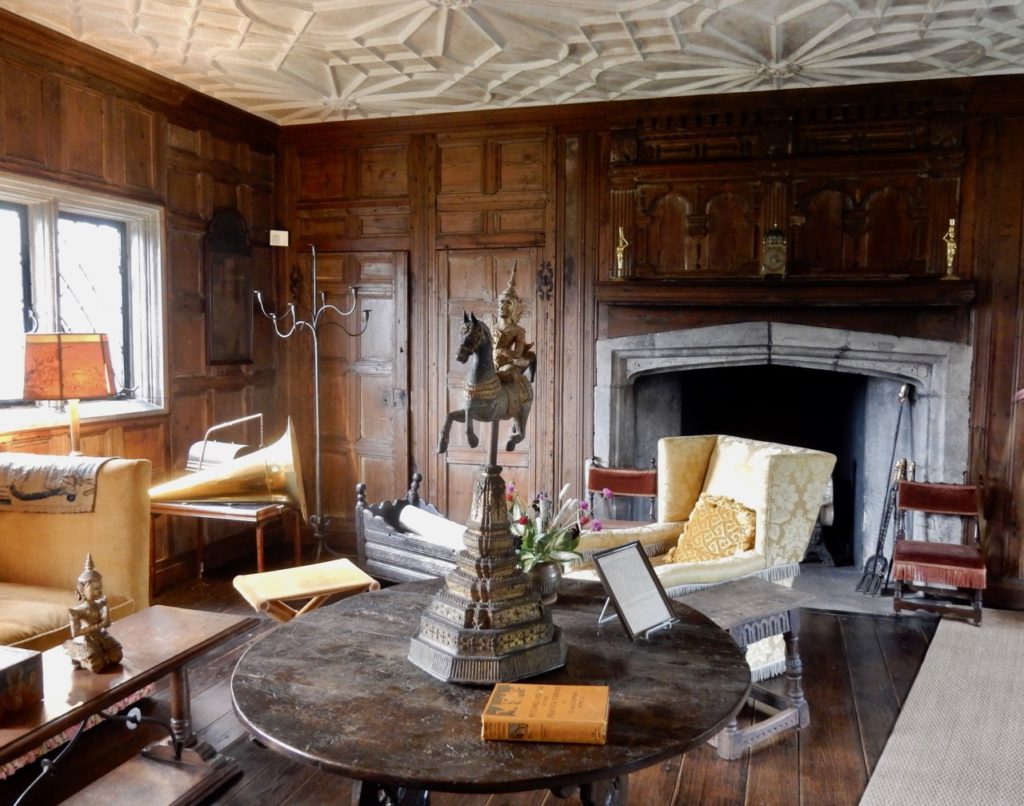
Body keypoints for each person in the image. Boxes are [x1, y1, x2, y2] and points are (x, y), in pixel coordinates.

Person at [63, 554, 123, 673]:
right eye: (95, 589)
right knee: (97, 666)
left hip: (99, 636)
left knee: (116, 656)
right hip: (85, 638)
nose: (99, 591)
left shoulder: (99, 604)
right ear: (82, 590)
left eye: (100, 588)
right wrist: (98, 626)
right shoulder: (77, 611)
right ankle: (80, 658)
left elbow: (106, 624)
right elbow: (75, 633)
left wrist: (106, 611)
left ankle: (99, 656)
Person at [493, 267, 536, 383]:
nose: (503, 307)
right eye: (502, 303)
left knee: (506, 374)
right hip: (491, 363)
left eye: (508, 304)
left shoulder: (518, 331)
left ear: (513, 308)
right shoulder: (493, 326)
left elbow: (517, 355)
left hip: (508, 364)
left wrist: (502, 352)